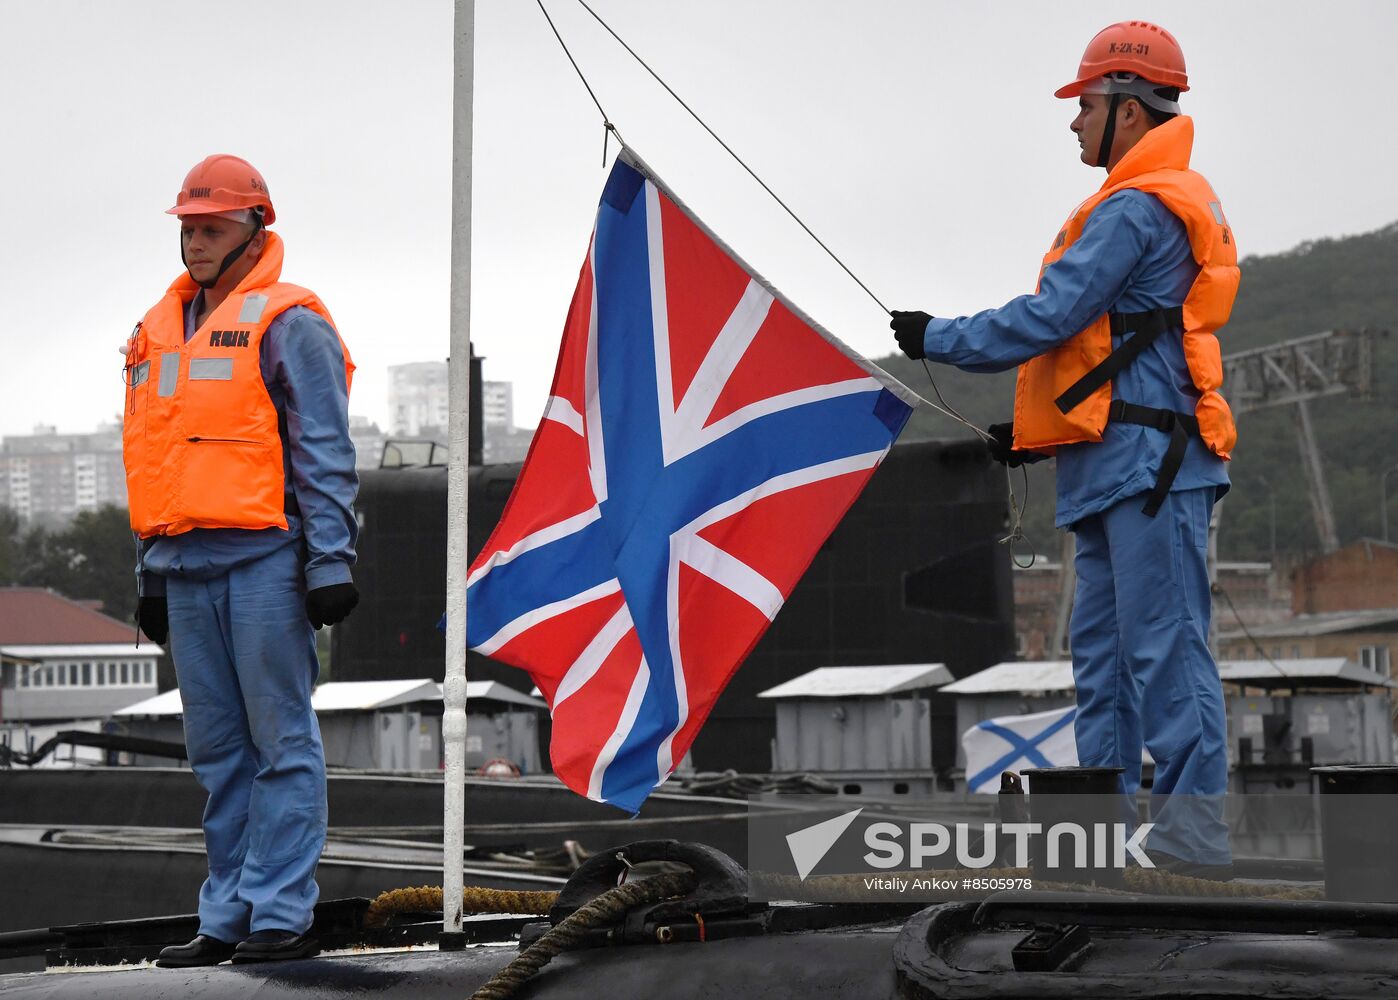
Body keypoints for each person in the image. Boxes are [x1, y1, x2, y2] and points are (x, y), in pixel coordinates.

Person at [890, 22, 1237, 877]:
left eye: (1083, 106)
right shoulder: (1142, 202)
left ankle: (1192, 839)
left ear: (1127, 106)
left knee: (1163, 649)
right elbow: (1116, 358)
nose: (1074, 123)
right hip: (1113, 466)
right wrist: (1033, 435)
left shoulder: (1137, 207)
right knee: (1107, 663)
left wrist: (938, 336)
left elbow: (1053, 318)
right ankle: (1102, 837)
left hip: (1148, 471)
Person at [122, 154, 360, 964]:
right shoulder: (156, 330)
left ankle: (278, 915)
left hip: (263, 560)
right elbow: (155, 461)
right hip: (183, 567)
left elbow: (324, 451)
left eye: (211, 226)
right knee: (218, 753)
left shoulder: (291, 320)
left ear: (255, 227)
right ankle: (223, 915)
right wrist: (148, 573)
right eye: (188, 227)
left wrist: (331, 561)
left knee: (279, 743)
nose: (194, 241)